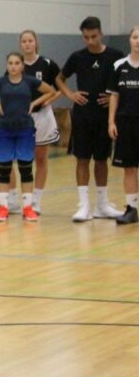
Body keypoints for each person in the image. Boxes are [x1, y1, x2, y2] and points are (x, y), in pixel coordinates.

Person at [56, 16, 125, 222]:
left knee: (102, 159)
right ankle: (84, 205)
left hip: (104, 116)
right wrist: (71, 95)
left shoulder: (116, 56)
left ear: (101, 33)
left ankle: (102, 205)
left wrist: (114, 98)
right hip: (82, 116)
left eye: (93, 36)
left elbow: (125, 83)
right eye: (86, 37)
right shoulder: (77, 57)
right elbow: (59, 78)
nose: (90, 41)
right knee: (82, 159)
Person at [0, 52, 56, 222]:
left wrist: (35, 103)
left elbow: (50, 91)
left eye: (17, 63)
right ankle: (3, 208)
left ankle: (28, 208)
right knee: (4, 169)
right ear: (7, 65)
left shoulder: (29, 81)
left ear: (22, 65)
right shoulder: (0, 82)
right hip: (4, 130)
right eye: (10, 63)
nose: (13, 66)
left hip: (25, 129)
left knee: (26, 169)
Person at [18, 30, 63, 214]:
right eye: (24, 41)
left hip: (42, 116)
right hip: (22, 118)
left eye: (30, 40)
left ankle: (36, 200)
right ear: (20, 44)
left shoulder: (47, 64)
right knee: (23, 160)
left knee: (41, 158)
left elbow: (61, 88)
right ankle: (23, 199)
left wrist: (50, 99)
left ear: (36, 42)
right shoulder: (16, 64)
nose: (27, 44)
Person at [107, 25, 139, 225]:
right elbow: (114, 96)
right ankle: (132, 209)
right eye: (135, 37)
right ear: (130, 39)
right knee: (129, 168)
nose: (138, 41)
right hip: (126, 123)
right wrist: (111, 121)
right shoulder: (119, 65)